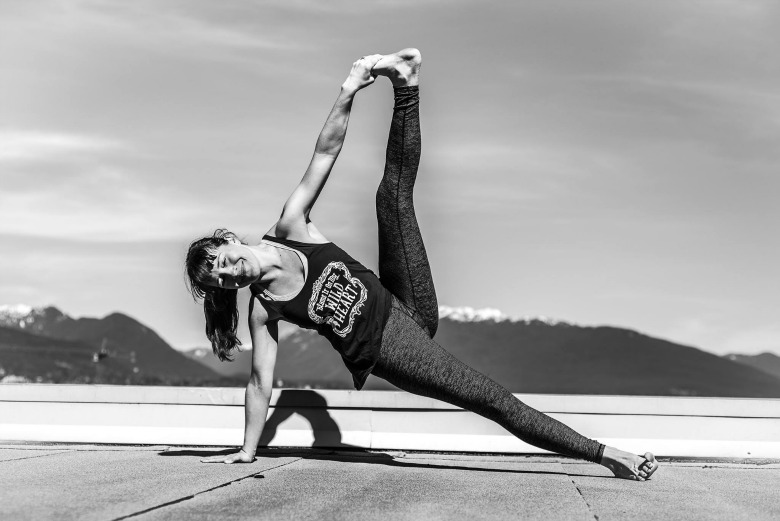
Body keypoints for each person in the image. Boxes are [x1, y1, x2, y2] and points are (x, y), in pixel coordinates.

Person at [186, 49, 659, 481]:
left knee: (391, 198)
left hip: (404, 303)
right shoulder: (265, 307)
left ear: (231, 240)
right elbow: (258, 381)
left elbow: (326, 152)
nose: (230, 273)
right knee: (490, 399)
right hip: (392, 351)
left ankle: (406, 83)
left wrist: (349, 89)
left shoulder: (291, 226)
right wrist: (248, 451)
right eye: (221, 279)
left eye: (224, 261)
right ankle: (606, 454)